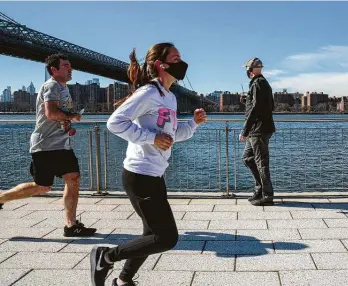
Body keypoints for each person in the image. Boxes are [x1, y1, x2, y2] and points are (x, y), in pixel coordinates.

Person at [90, 43, 207, 286]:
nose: (182, 62)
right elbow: (115, 122)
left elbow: (172, 136)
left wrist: (193, 123)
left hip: (155, 174)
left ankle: (123, 281)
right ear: (161, 64)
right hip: (139, 174)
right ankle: (106, 256)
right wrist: (150, 138)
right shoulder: (149, 93)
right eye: (176, 57)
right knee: (166, 238)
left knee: (150, 234)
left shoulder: (170, 97)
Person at [0, 53, 96, 237]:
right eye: (66, 66)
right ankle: (1, 198)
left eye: (70, 66)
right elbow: (51, 112)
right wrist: (71, 117)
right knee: (43, 186)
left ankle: (71, 225)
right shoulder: (51, 85)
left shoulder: (63, 88)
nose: (71, 69)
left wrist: (67, 125)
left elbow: (57, 116)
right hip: (45, 145)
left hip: (61, 144)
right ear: (54, 69)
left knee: (73, 179)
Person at [239, 57, 276, 206]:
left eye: (247, 70)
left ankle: (267, 196)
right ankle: (260, 189)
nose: (246, 72)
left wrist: (245, 130)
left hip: (258, 129)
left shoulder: (258, 83)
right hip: (259, 129)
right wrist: (247, 99)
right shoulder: (262, 84)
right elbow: (268, 105)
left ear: (250, 70)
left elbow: (256, 109)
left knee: (261, 163)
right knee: (247, 158)